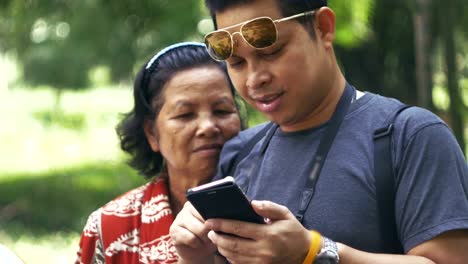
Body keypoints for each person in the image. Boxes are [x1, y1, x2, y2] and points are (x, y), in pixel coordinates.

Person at [169, 1, 468, 263]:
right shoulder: (240, 153)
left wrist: (314, 252)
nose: (254, 78)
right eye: (236, 63)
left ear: (323, 27)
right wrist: (195, 257)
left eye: (271, 52)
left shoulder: (407, 136)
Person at [75, 42, 242, 264]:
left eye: (222, 111)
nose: (208, 127)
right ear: (152, 133)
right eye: (185, 114)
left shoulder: (276, 203)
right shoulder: (109, 227)